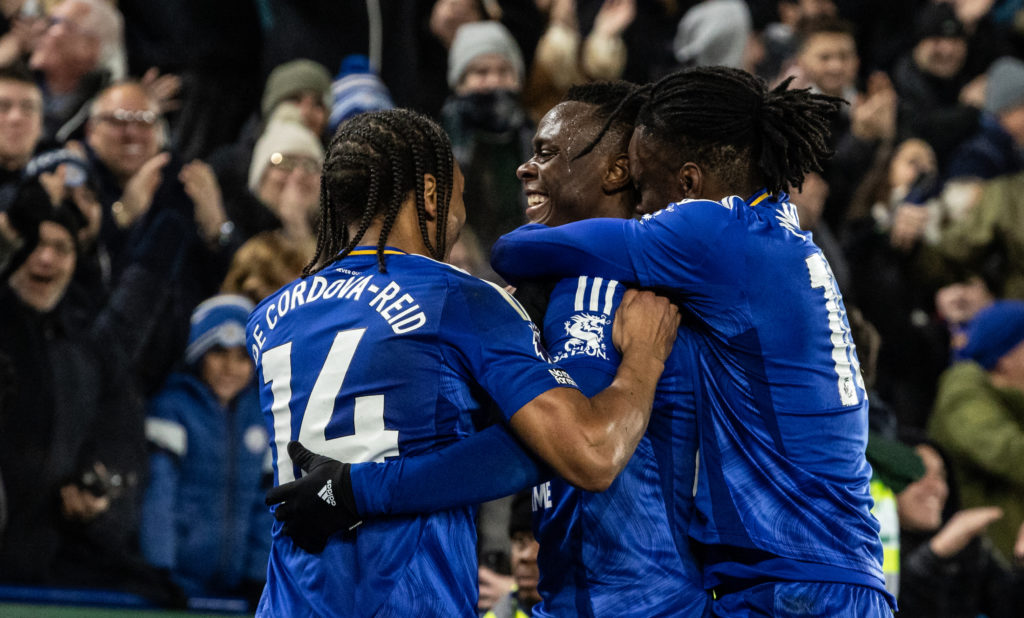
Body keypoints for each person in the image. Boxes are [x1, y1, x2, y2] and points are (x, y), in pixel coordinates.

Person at [490, 65, 895, 615]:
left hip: (793, 585)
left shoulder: (714, 234)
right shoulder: (778, 238)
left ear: (687, 185)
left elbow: (517, 250)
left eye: (641, 181)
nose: (638, 202)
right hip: (829, 575)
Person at [247, 108, 680, 616]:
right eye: (460, 194)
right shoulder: (458, 299)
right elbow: (588, 451)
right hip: (407, 601)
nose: (461, 215)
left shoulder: (268, 318)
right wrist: (643, 361)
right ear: (432, 194)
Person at [140, 294, 271, 606]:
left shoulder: (264, 416)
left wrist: (260, 573)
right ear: (198, 354)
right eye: (218, 353)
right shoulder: (171, 407)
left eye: (242, 357)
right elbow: (159, 492)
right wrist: (159, 567)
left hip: (239, 588)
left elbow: (269, 502)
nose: (230, 367)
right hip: (177, 583)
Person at [928, 299, 1024, 564]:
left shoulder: (1010, 400)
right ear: (1006, 355)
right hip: (982, 558)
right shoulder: (964, 390)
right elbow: (1005, 451)